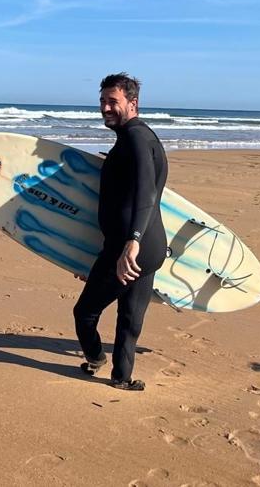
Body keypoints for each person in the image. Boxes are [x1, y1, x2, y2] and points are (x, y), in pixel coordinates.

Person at [73, 72, 168, 392]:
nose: (105, 108)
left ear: (133, 103)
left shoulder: (135, 139)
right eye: (102, 101)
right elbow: (138, 180)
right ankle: (122, 377)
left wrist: (132, 242)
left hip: (131, 246)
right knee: (129, 315)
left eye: (113, 101)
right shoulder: (138, 137)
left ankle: (96, 357)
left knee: (85, 312)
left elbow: (145, 193)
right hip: (152, 246)